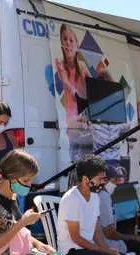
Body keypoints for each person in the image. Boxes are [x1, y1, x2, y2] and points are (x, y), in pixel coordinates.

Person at [54, 23, 93, 162]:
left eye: (71, 40)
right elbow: (67, 85)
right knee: (77, 162)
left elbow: (91, 92)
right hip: (72, 124)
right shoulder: (60, 64)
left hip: (85, 123)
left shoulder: (82, 68)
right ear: (61, 43)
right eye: (65, 39)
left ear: (76, 44)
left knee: (87, 162)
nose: (68, 43)